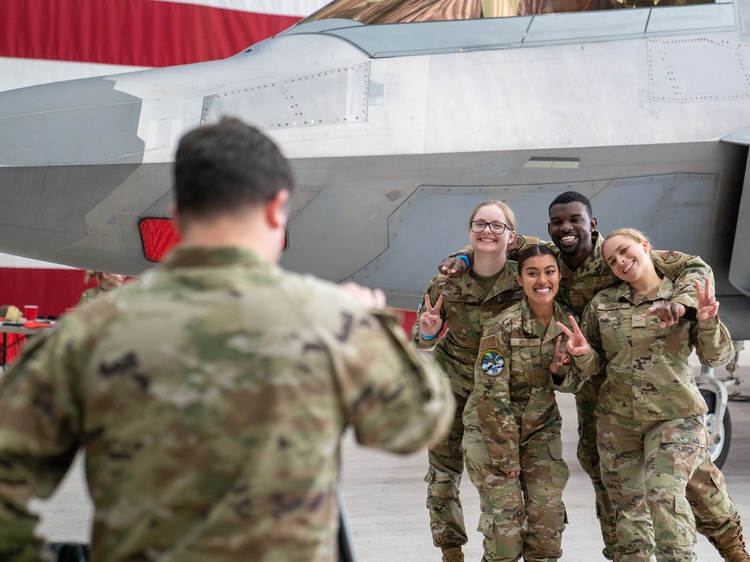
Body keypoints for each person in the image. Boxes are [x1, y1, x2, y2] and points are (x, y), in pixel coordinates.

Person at [0, 117, 454, 562]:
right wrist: (369, 322)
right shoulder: (331, 320)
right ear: (278, 207)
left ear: (178, 214)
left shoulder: (90, 331)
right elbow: (416, 423)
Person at [440, 191, 744, 560]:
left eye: (575, 221)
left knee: (684, 483)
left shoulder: (617, 254)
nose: (567, 228)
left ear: (592, 224)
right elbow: (493, 239)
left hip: (663, 396)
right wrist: (462, 257)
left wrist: (684, 303)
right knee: (609, 481)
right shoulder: (545, 257)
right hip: (598, 393)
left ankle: (732, 547)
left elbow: (693, 267)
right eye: (558, 223)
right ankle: (623, 552)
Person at [575, 227, 750, 562]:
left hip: (676, 415)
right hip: (619, 422)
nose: (622, 263)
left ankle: (711, 551)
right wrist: (579, 354)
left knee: (663, 493)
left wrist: (707, 320)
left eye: (627, 252)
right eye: (613, 261)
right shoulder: (603, 306)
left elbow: (717, 358)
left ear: (645, 247)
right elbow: (592, 365)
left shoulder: (683, 298)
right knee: (628, 510)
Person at [462, 245, 597, 562]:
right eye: (532, 273)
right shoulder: (502, 326)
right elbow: (490, 394)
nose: (542, 280)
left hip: (540, 430)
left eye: (549, 271)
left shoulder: (569, 323)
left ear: (559, 275)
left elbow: (581, 381)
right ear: (519, 278)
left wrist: (566, 367)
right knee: (505, 529)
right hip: (491, 433)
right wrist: (507, 456)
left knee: (547, 526)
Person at [414, 200, 525, 562]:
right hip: (450, 382)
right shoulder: (448, 280)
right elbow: (420, 337)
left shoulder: (523, 277)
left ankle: (496, 552)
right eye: (480, 224)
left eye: (497, 226)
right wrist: (429, 333)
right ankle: (451, 551)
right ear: (469, 230)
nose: (487, 232)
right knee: (443, 475)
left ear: (511, 235)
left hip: (497, 391)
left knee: (493, 476)